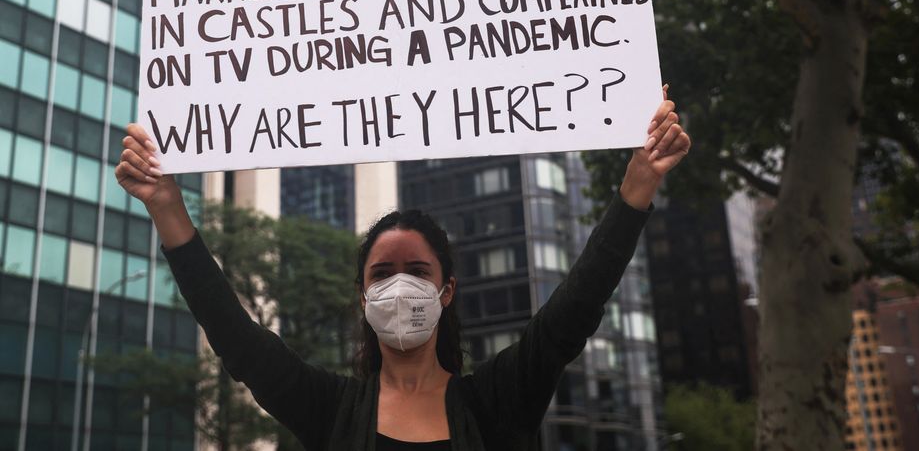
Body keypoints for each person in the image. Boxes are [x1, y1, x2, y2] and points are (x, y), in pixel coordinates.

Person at [115, 86, 690, 451]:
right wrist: (167, 207)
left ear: (446, 291)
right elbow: (235, 338)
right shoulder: (330, 410)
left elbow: (575, 308)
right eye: (381, 274)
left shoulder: (497, 399)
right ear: (362, 296)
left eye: (416, 269)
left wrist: (638, 185)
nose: (399, 285)